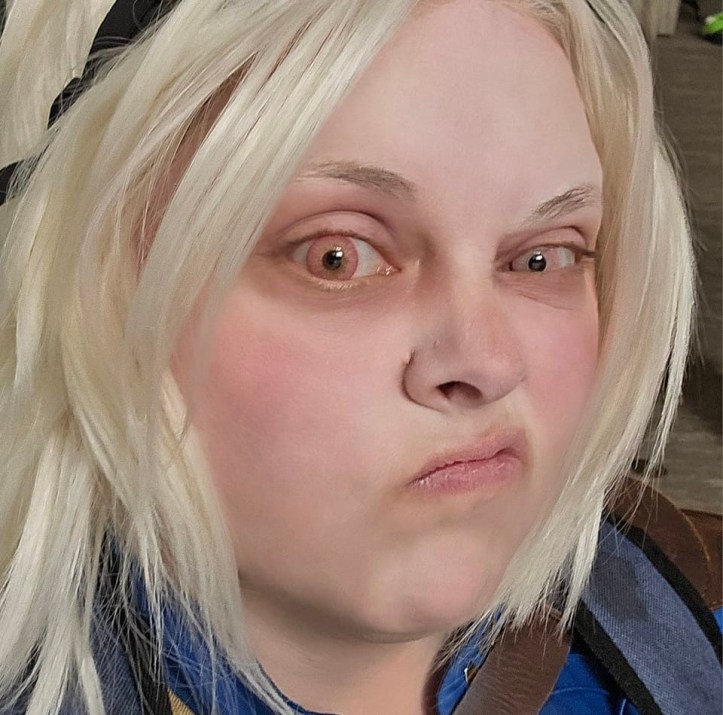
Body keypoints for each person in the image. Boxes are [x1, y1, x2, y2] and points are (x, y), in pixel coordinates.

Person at [0, 1, 719, 714]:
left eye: (543, 257)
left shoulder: (679, 630)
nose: (488, 362)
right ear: (109, 293)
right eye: (337, 256)